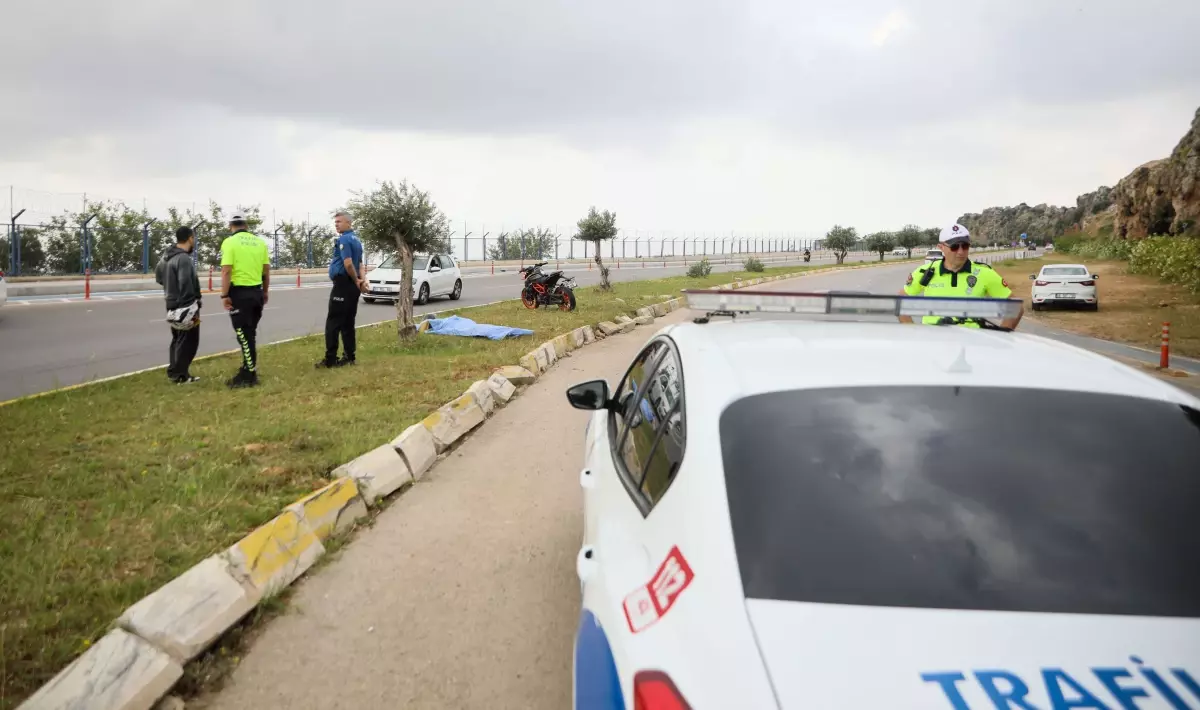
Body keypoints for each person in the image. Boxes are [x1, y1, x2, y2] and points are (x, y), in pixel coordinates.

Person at [899, 222, 1023, 329]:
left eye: (965, 246)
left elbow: (1016, 307)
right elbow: (901, 301)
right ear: (941, 247)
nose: (960, 252)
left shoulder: (985, 273)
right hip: (934, 343)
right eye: (954, 247)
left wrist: (1002, 335)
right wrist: (913, 332)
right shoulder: (925, 272)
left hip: (971, 343)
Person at [219, 213, 271, 388]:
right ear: (246, 226)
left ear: (230, 226)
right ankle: (247, 368)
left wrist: (224, 295)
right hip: (256, 292)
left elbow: (226, 270)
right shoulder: (260, 242)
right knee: (250, 333)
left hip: (240, 294)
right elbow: (266, 271)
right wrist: (265, 291)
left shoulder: (229, 242)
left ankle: (249, 374)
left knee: (243, 334)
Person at [316, 211, 366, 368]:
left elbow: (349, 264)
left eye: (339, 221)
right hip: (352, 286)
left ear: (348, 223)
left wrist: (356, 280)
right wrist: (361, 281)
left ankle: (330, 359)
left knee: (333, 322)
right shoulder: (357, 240)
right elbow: (360, 265)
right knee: (348, 322)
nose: (336, 224)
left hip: (343, 284)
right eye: (335, 222)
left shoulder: (344, 239)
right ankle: (349, 356)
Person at [155, 226, 202, 383]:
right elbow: (185, 282)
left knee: (177, 338)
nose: (194, 241)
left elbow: (159, 277)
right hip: (186, 305)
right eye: (193, 238)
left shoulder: (167, 256)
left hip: (171, 303)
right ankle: (181, 376)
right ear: (190, 238)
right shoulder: (183, 258)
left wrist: (171, 287)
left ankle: (174, 371)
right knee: (189, 340)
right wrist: (193, 304)